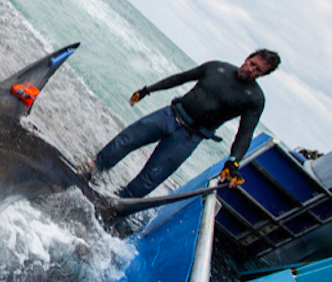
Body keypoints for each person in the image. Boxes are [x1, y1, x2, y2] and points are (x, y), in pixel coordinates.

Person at [83, 49, 281, 198]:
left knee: (150, 178)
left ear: (262, 75)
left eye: (258, 70)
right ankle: (90, 171)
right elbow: (180, 78)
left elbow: (244, 134)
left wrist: (233, 162)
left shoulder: (254, 98)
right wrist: (147, 90)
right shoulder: (216, 67)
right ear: (248, 57)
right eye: (252, 63)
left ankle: (115, 203)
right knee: (124, 141)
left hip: (189, 137)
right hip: (169, 115)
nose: (250, 69)